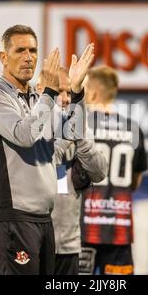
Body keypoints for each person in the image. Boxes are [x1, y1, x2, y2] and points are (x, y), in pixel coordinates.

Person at [0, 24, 94, 275]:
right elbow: (25, 135)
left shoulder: (36, 101)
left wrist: (77, 93)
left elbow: (72, 135)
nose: (28, 57)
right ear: (3, 58)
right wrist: (50, 92)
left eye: (33, 50)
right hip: (12, 217)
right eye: (20, 50)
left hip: (42, 219)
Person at [80, 65, 148, 275]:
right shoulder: (133, 129)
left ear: (92, 93)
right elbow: (135, 182)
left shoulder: (81, 125)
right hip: (119, 230)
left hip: (83, 228)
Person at [39, 68, 108, 275]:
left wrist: (78, 136)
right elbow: (43, 169)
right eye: (59, 91)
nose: (65, 98)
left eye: (69, 92)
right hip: (34, 241)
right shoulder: (28, 126)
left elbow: (99, 172)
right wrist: (65, 137)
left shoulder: (80, 128)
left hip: (68, 243)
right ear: (40, 90)